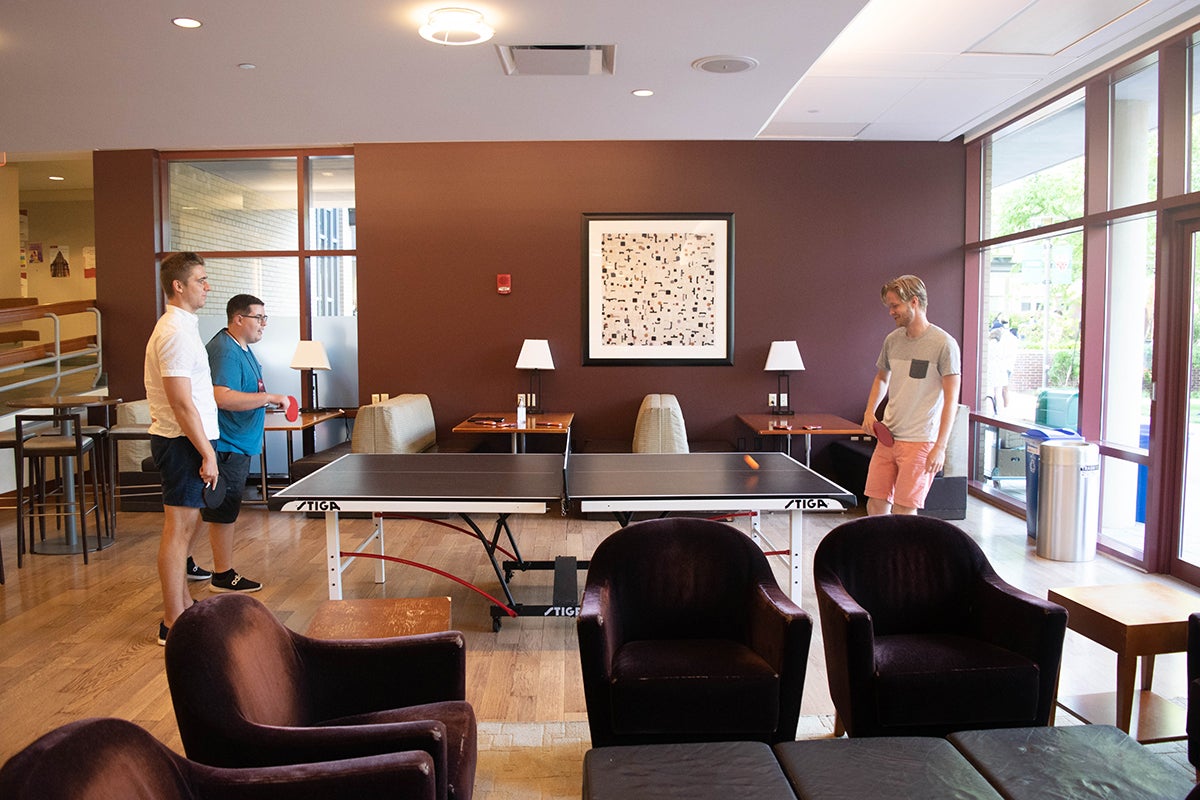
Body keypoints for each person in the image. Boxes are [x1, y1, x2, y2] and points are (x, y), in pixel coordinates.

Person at [144, 253, 220, 645]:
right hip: (181, 442)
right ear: (179, 285)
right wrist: (206, 452)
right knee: (177, 531)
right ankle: (172, 620)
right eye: (201, 280)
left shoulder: (185, 328)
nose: (207, 286)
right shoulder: (173, 332)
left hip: (190, 439)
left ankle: (184, 605)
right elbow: (180, 402)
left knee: (187, 527)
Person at [202, 294, 289, 593]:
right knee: (223, 513)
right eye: (258, 318)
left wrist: (263, 403)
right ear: (238, 319)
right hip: (228, 445)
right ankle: (222, 575)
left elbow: (245, 393)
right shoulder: (225, 350)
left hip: (240, 442)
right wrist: (267, 398)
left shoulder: (243, 348)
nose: (263, 324)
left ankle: (186, 561)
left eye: (265, 318)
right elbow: (222, 396)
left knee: (204, 511)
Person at [861, 275, 961, 516]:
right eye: (890, 306)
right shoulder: (892, 340)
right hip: (888, 437)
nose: (891, 312)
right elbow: (882, 378)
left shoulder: (944, 344)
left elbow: (951, 399)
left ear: (914, 302)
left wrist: (940, 447)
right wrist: (869, 412)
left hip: (920, 441)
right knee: (875, 505)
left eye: (895, 306)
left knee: (905, 511)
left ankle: (902, 556)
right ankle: (880, 555)